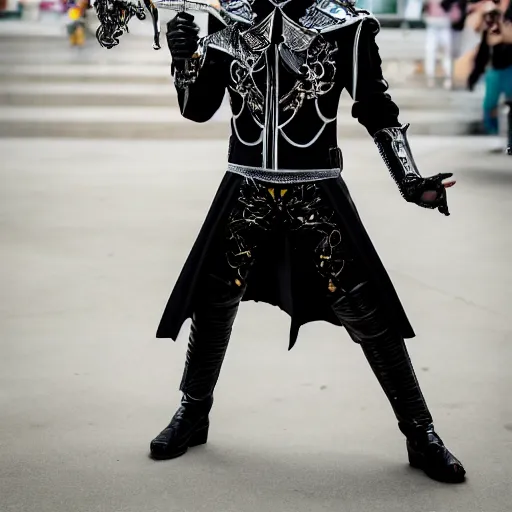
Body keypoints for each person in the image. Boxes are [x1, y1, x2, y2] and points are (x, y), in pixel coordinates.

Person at [150, 0, 466, 484]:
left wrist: (410, 180)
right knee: (213, 300)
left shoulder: (348, 26)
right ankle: (193, 412)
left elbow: (376, 108)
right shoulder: (227, 18)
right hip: (245, 185)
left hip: (316, 191)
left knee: (368, 311)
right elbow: (198, 109)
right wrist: (183, 58)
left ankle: (421, 433)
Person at [468, 0, 512, 146]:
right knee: (489, 104)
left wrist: (501, 33)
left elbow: (502, 36)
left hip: (509, 66)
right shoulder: (490, 9)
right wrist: (482, 13)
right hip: (494, 67)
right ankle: (496, 135)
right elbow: (477, 29)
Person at [424, 0, 460, 88]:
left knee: (446, 53)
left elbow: (456, 14)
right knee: (430, 51)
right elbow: (425, 8)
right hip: (432, 24)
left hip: (445, 24)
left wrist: (452, 17)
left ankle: (448, 78)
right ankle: (430, 77)